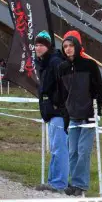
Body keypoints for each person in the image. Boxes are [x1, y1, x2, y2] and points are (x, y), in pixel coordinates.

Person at [56, 30, 102, 197]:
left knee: (84, 151)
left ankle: (80, 184)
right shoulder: (62, 68)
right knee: (72, 152)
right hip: (72, 115)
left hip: (89, 115)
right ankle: (74, 182)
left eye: (71, 45)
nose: (68, 49)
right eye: (65, 46)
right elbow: (62, 94)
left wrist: (99, 109)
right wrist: (65, 115)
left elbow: (99, 89)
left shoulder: (90, 65)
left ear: (77, 46)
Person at [33, 30, 68, 192]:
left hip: (59, 112)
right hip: (51, 112)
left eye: (41, 45)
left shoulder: (55, 63)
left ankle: (59, 183)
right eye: (36, 45)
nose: (37, 48)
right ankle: (52, 181)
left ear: (48, 46)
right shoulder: (43, 63)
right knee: (55, 148)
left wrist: (56, 105)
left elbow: (65, 86)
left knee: (60, 148)